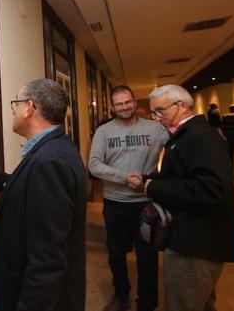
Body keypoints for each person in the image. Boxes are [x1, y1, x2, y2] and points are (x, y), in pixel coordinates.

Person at [0, 79, 86, 311]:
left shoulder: (49, 162)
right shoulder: (56, 148)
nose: (12, 109)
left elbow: (48, 261)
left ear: (29, 108)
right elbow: (21, 188)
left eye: (16, 103)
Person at [138, 85, 234, 311]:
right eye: (154, 113)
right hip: (192, 240)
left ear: (182, 106)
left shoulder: (200, 136)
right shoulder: (186, 135)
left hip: (196, 245)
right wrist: (148, 180)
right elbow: (182, 175)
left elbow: (211, 190)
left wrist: (154, 188)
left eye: (160, 111)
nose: (157, 118)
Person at [88, 85, 168, 311]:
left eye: (128, 102)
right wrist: (124, 177)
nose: (124, 107)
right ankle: (121, 295)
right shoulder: (103, 132)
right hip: (115, 204)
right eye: (119, 104)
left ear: (135, 102)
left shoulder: (156, 129)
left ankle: (147, 304)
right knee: (116, 254)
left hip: (146, 204)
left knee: (148, 258)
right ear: (112, 107)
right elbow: (94, 165)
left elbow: (180, 145)